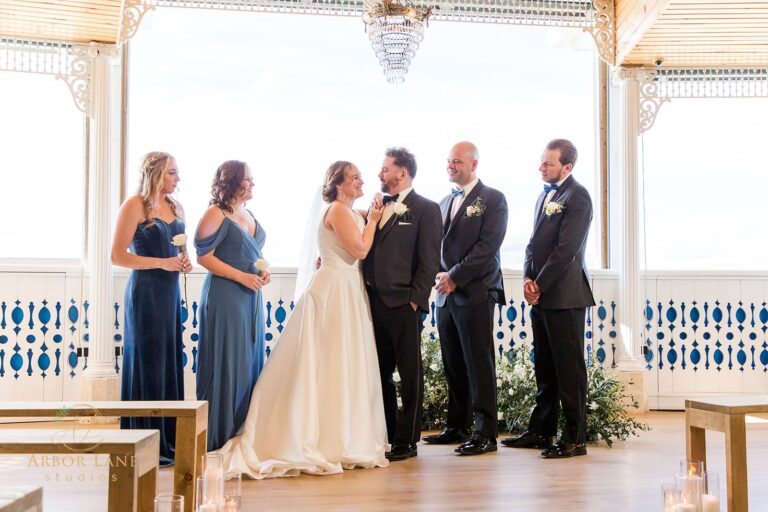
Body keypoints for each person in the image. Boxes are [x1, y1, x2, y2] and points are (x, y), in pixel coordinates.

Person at [217, 161, 388, 478]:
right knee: (327, 360)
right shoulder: (336, 210)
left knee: (343, 361)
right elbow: (361, 249)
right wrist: (374, 220)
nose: (360, 180)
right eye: (354, 178)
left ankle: (344, 432)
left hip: (348, 289)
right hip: (335, 289)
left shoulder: (352, 212)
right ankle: (317, 436)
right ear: (338, 184)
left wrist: (371, 212)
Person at [501, 138, 595, 458]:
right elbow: (533, 243)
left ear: (566, 167)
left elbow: (566, 251)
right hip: (541, 295)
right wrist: (528, 277)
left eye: (548, 163)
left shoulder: (578, 197)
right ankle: (541, 431)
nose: (541, 167)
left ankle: (574, 438)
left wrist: (539, 284)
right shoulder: (546, 196)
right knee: (545, 367)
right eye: (541, 162)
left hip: (565, 296)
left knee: (569, 371)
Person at [424, 141, 508, 456]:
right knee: (454, 364)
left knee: (478, 363)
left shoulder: (493, 199)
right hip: (445, 295)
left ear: (474, 164)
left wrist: (455, 277)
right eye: (448, 161)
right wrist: (436, 277)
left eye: (457, 161)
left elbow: (487, 248)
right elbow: (435, 247)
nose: (451, 166)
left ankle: (485, 433)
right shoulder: (444, 201)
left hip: (474, 291)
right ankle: (456, 426)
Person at [111, 151, 191, 466]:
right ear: (156, 173)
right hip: (145, 293)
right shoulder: (134, 206)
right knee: (147, 361)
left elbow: (178, 250)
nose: (177, 178)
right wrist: (164, 263)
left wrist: (183, 261)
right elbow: (117, 256)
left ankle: (168, 438)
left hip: (170, 294)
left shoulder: (176, 207)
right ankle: (142, 439)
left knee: (168, 360)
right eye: (172, 172)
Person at [363, 147, 442, 461]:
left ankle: (407, 441)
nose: (380, 174)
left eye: (385, 168)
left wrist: (415, 300)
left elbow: (429, 260)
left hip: (404, 303)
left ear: (402, 173)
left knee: (410, 374)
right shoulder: (377, 206)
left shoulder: (426, 208)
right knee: (379, 371)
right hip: (373, 302)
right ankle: (387, 432)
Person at [195, 160, 270, 451]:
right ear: (232, 181)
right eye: (248, 179)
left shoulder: (247, 213)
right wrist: (241, 276)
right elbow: (203, 256)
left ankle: (242, 431)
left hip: (251, 296)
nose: (252, 184)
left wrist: (263, 272)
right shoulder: (215, 213)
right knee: (226, 362)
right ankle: (216, 436)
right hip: (226, 295)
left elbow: (250, 252)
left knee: (249, 363)